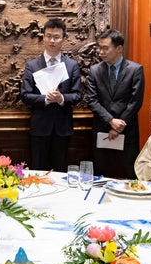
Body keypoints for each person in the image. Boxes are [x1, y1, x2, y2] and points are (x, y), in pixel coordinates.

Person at [20, 19, 82, 171]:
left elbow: (77, 95)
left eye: (56, 37)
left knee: (60, 170)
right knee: (38, 170)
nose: (52, 41)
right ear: (43, 37)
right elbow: (25, 95)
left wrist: (61, 98)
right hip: (40, 127)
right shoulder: (32, 65)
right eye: (48, 36)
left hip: (63, 128)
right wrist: (46, 99)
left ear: (64, 39)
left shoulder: (72, 65)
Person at [85, 29, 144, 179]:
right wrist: (111, 121)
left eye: (105, 48)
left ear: (118, 49)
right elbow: (91, 100)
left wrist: (119, 125)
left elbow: (135, 101)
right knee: (101, 173)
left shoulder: (135, 69)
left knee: (129, 172)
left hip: (127, 129)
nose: (100, 52)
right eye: (100, 48)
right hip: (102, 128)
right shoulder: (94, 70)